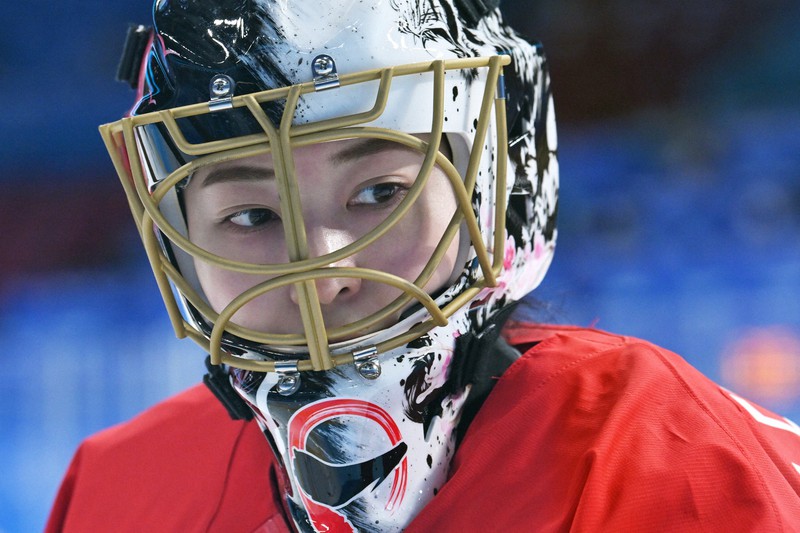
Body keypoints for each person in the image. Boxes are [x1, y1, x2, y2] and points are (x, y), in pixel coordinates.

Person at [47, 0, 800, 531]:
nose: (321, 276)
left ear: (500, 188)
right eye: (250, 216)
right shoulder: (117, 491)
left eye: (380, 192)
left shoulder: (682, 470)